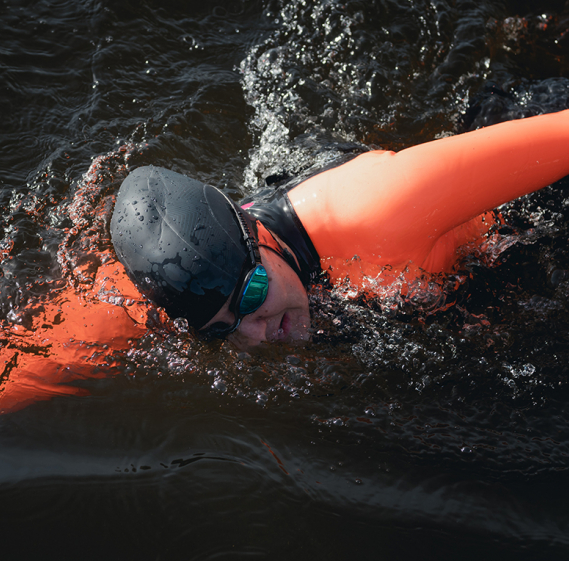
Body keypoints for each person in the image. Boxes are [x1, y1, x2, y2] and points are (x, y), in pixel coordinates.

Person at [1, 108, 569, 411]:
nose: (257, 331)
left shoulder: (384, 214)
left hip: (540, 207)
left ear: (263, 240)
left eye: (251, 297)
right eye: (223, 331)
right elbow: (26, 359)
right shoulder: (175, 282)